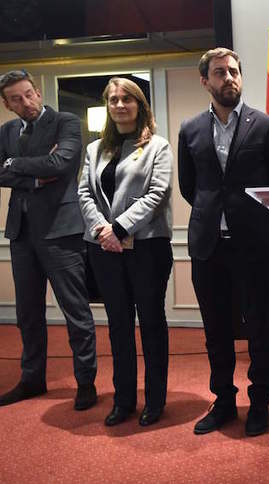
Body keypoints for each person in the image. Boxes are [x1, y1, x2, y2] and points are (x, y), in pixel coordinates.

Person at [178, 48, 269, 437]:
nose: (229, 78)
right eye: (220, 72)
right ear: (205, 81)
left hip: (254, 244)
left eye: (234, 71)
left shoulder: (267, 126)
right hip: (209, 246)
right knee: (216, 331)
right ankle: (223, 401)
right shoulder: (189, 129)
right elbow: (191, 188)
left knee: (260, 329)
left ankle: (260, 404)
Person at [78, 77, 173, 426]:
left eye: (126, 99)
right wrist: (104, 231)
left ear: (139, 105)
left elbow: (157, 193)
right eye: (113, 99)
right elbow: (84, 194)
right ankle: (123, 400)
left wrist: (119, 228)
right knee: (118, 325)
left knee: (150, 323)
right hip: (104, 249)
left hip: (147, 247)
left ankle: (156, 400)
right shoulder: (94, 149)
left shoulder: (157, 147)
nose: (119, 105)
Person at [0, 69, 97, 410]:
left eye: (28, 94)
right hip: (21, 232)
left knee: (75, 310)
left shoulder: (66, 122)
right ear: (7, 104)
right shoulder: (7, 130)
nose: (25, 102)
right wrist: (37, 178)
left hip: (61, 229)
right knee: (27, 313)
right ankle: (32, 379)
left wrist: (15, 165)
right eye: (16, 98)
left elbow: (63, 162)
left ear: (38, 92)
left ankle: (86, 382)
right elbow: (1, 171)